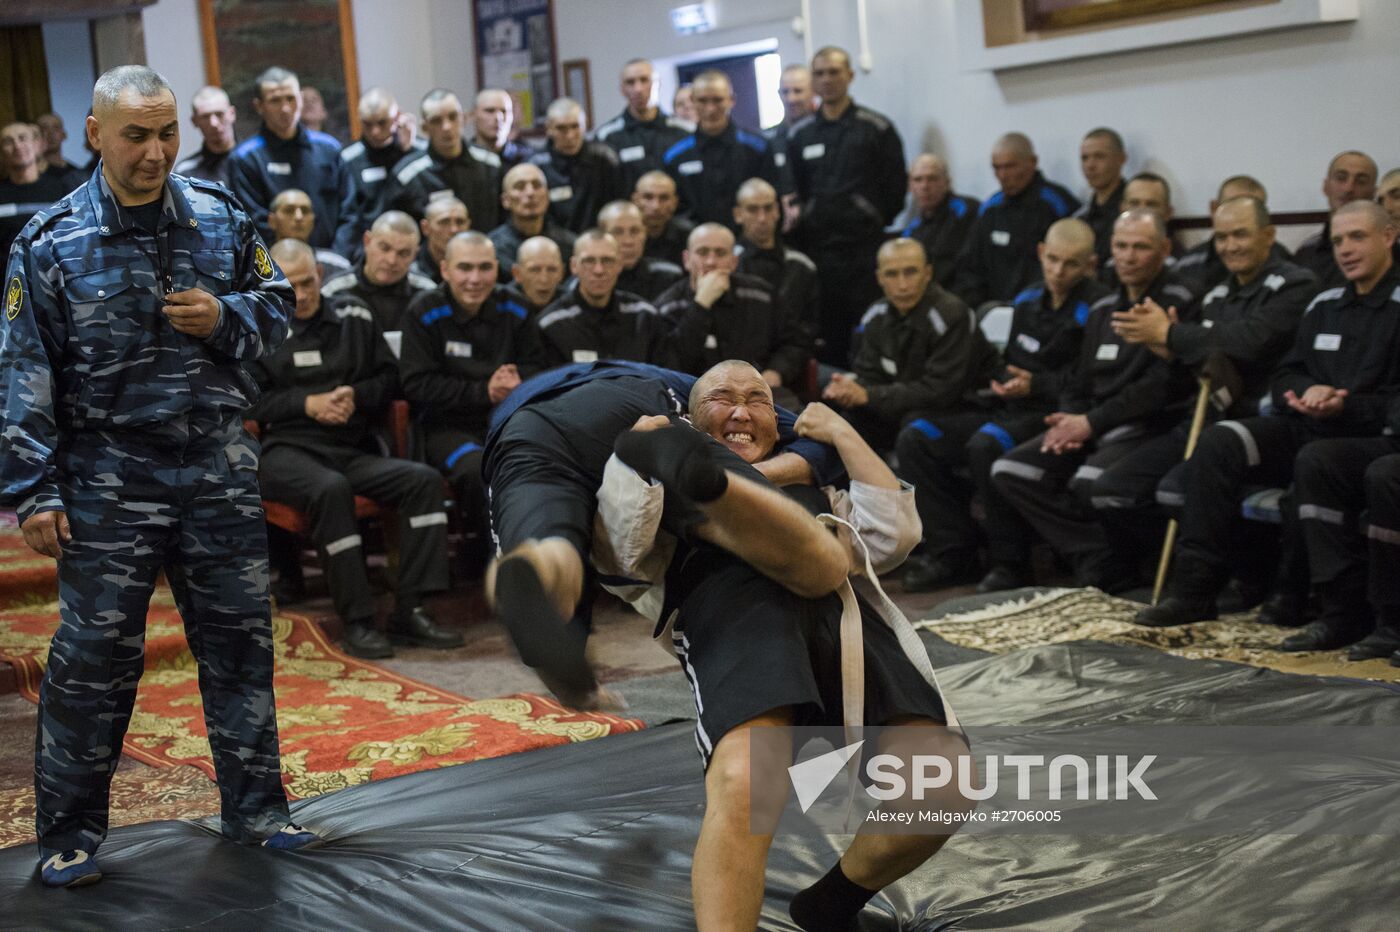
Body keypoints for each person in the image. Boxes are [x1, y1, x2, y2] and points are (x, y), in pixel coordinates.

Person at [0, 65, 319, 887]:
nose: (155, 151)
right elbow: (22, 372)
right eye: (136, 135)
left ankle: (256, 809)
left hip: (215, 464)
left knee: (241, 643)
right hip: (108, 473)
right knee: (93, 659)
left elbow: (279, 304)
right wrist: (31, 490)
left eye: (166, 132)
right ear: (96, 134)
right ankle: (67, 835)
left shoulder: (219, 215)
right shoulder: (51, 240)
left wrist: (227, 317)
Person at [593, 364, 971, 931]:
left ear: (777, 422)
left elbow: (896, 537)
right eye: (722, 399)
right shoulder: (673, 477)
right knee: (748, 785)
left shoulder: (814, 483)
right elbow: (621, 547)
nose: (741, 411)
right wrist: (642, 450)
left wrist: (841, 434)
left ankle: (831, 903)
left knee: (942, 786)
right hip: (739, 618)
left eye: (758, 401)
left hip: (843, 620)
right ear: (693, 421)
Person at [480, 359, 844, 710]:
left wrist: (578, 682)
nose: (740, 410)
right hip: (642, 416)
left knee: (547, 550)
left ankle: (535, 567)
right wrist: (750, 476)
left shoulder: (577, 382)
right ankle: (702, 480)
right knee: (824, 568)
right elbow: (823, 444)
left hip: (522, 428)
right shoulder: (704, 390)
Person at [1136, 201, 1400, 646]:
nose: (1345, 249)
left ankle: (1338, 611)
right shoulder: (1325, 303)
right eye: (1337, 240)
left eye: (1358, 237)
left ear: (1389, 236)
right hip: (1309, 423)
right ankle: (1196, 590)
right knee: (1224, 439)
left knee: (1319, 460)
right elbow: (1287, 372)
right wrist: (1299, 393)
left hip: (1368, 436)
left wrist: (1344, 405)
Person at [248, 239, 463, 658]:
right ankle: (358, 621)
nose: (302, 294)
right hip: (286, 451)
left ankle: (411, 608)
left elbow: (390, 381)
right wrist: (306, 404)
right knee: (330, 489)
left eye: (308, 282)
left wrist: (355, 396)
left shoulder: (354, 316)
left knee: (422, 481)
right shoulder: (258, 324)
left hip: (350, 448)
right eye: (290, 284)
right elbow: (245, 399)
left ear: (321, 277)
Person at [1105, 197, 1315, 579]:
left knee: (1175, 491)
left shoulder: (1297, 284)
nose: (1230, 246)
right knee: (1113, 488)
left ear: (1269, 235)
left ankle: (1239, 578)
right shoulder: (1218, 294)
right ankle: (1196, 573)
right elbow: (1209, 359)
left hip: (1265, 426)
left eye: (1240, 235)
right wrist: (1170, 348)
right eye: (1221, 237)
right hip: (1209, 415)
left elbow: (1248, 341)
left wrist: (1172, 333)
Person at [896, 218, 1109, 593]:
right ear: (1042, 253)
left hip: (1057, 414)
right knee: (918, 434)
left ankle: (1010, 562)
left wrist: (1035, 384)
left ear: (1090, 264)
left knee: (986, 444)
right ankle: (953, 552)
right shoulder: (1026, 299)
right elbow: (1011, 360)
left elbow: (1089, 382)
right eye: (1053, 259)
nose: (1059, 271)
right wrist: (1000, 379)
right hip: (1008, 407)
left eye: (1071, 264)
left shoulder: (1097, 307)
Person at [992, 210, 1198, 592]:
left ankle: (1121, 565)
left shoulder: (1178, 301)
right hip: (1095, 423)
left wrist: (1090, 423)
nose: (1129, 256)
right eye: (1121, 246)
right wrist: (1070, 418)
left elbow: (1162, 387)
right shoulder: (1104, 309)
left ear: (1164, 249)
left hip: (1152, 425)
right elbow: (1081, 379)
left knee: (1092, 481)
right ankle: (1095, 554)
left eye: (1141, 247)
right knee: (1009, 470)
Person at [399, 232, 542, 571]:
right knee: (479, 470)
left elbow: (540, 366)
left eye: (484, 268)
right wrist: (484, 391)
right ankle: (498, 566)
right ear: (445, 269)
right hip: (446, 428)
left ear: (497, 269)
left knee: (538, 461)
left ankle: (537, 563)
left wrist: (518, 379)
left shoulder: (516, 306)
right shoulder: (423, 311)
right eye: (465, 268)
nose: (475, 279)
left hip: (508, 420)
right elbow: (417, 385)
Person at [789, 46, 908, 366]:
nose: (827, 79)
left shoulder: (876, 128)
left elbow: (896, 189)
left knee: (872, 333)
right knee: (829, 337)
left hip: (865, 254)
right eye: (820, 73)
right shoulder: (799, 135)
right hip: (821, 255)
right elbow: (796, 191)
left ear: (850, 76)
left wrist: (870, 216)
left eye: (834, 72)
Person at [824, 238, 999, 453]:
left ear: (928, 273)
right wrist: (849, 392)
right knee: (839, 418)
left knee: (914, 429)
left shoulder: (953, 315)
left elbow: (940, 392)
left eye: (911, 272)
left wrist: (870, 395)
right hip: (906, 405)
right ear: (879, 278)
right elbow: (868, 375)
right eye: (892, 274)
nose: (903, 285)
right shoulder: (874, 316)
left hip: (965, 408)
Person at [655, 222, 808, 408]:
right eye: (703, 252)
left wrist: (776, 371)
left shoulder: (762, 295)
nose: (711, 262)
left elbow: (795, 342)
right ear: (687, 259)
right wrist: (701, 305)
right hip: (694, 400)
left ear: (734, 261)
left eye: (720, 253)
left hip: (760, 395)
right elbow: (671, 364)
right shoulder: (666, 306)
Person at [229, 67, 357, 255]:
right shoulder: (246, 158)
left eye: (291, 98)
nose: (285, 108)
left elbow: (350, 211)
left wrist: (336, 257)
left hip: (332, 260)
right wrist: (288, 260)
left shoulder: (329, 149)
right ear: (259, 106)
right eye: (275, 101)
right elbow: (253, 222)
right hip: (278, 265)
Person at [952, 132, 1081, 308]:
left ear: (1032, 162)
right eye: (997, 168)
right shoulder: (990, 208)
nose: (1003, 175)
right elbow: (970, 267)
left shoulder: (1057, 204)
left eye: (1010, 166)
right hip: (992, 310)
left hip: (1041, 311)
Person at [532, 229, 673, 367]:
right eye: (589, 261)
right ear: (574, 266)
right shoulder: (550, 325)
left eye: (607, 260)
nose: (598, 270)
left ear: (619, 265)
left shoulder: (644, 317)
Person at [661, 70, 779, 228]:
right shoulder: (675, 156)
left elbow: (771, 201)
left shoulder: (757, 147)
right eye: (703, 101)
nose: (711, 109)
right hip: (697, 244)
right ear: (693, 101)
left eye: (717, 100)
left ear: (731, 100)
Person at [382, 89, 503, 233]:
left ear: (463, 119)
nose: (447, 127)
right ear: (425, 127)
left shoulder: (490, 163)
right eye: (436, 121)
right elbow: (397, 231)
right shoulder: (407, 175)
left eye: (453, 117)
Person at [733, 177, 820, 347]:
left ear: (778, 211)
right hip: (734, 363)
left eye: (768, 208)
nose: (762, 218)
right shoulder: (724, 263)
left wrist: (779, 370)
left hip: (786, 363)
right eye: (753, 209)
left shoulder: (802, 266)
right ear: (738, 214)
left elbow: (807, 329)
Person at [1172, 175, 1293, 295]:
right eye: (1231, 205)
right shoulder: (1189, 264)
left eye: (1252, 206)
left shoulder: (1285, 264)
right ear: (1214, 209)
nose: (1232, 247)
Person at [321, 210, 436, 334]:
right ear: (367, 241)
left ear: (415, 255)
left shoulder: (428, 294)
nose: (392, 260)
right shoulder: (334, 292)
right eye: (384, 248)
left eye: (403, 253)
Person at [594, 59, 693, 191]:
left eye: (644, 80)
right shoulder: (606, 137)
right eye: (630, 82)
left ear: (657, 84)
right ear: (622, 89)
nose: (638, 89)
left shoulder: (686, 131)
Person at [339, 88, 423, 241]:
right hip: (370, 241)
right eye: (367, 124)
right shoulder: (348, 158)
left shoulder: (418, 151)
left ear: (397, 116)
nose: (375, 131)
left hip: (414, 239)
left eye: (382, 123)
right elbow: (349, 213)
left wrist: (407, 152)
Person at [531, 97, 625, 233]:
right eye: (561, 128)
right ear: (548, 129)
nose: (569, 135)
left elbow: (618, 206)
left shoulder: (604, 159)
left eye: (575, 127)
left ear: (585, 125)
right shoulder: (536, 165)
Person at [1293, 150, 1378, 288]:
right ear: (1326, 187)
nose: (1349, 188)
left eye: (1360, 181)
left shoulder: (1387, 253)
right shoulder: (1306, 253)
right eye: (1341, 178)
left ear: (1373, 193)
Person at [897, 153, 980, 289]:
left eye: (932, 179)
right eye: (918, 180)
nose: (925, 186)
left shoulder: (968, 211)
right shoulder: (911, 231)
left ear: (947, 182)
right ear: (910, 187)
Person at [1, 123, 82, 257]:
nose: (17, 146)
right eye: (8, 142)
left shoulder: (62, 189)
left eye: (22, 138)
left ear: (37, 144)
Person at [488, 162, 577, 275]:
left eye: (537, 185)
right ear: (505, 200)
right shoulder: (492, 250)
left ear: (547, 195)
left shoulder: (570, 246)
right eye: (520, 187)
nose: (530, 193)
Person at [598, 199, 683, 300]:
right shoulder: (588, 280)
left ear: (645, 234)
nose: (628, 241)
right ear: (602, 237)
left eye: (635, 231)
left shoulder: (669, 278)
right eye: (618, 232)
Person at [1072, 127, 1127, 268]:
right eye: (1085, 158)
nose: (1090, 165)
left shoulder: (1133, 211)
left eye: (1099, 156)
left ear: (1121, 159)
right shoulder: (1080, 218)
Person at [265, 187, 350, 276]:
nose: (299, 217)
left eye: (305, 211)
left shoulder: (338, 267)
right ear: (272, 221)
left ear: (313, 220)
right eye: (289, 210)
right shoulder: (254, 266)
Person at [764, 63, 816, 203]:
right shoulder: (768, 139)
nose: (791, 99)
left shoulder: (827, 133)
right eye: (785, 92)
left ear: (813, 91)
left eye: (798, 91)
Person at [174, 86, 238, 188]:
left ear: (232, 113)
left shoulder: (254, 159)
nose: (214, 123)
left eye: (219, 114)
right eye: (205, 117)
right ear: (194, 121)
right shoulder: (185, 172)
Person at [635, 169, 694, 266]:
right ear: (635, 200)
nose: (656, 206)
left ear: (675, 202)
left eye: (664, 198)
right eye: (648, 197)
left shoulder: (689, 236)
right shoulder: (622, 236)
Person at [504, 234, 567, 316]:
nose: (544, 279)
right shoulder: (500, 306)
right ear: (517, 273)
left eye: (552, 270)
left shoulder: (571, 306)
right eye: (535, 270)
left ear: (561, 273)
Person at [412, 195, 469, 284]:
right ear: (425, 228)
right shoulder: (410, 269)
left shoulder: (478, 267)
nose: (454, 229)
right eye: (444, 222)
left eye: (460, 222)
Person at [471, 88, 530, 169]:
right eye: (490, 111)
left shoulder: (527, 160)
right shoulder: (463, 158)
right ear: (473, 115)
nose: (499, 117)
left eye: (504, 111)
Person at [35, 112, 83, 178]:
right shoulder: (29, 174)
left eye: (56, 128)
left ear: (64, 135)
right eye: (44, 128)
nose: (51, 133)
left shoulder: (76, 175)